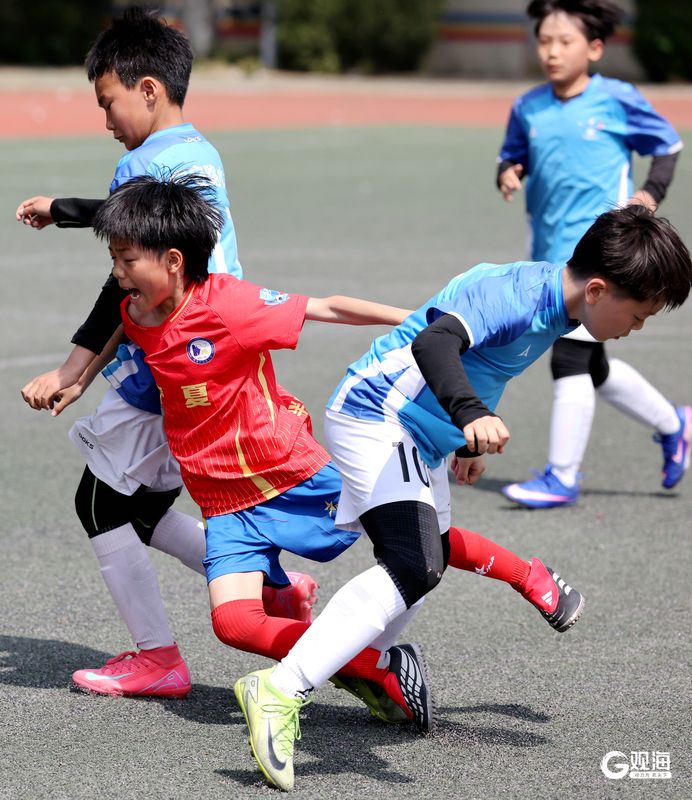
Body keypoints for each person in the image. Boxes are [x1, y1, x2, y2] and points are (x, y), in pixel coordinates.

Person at [88, 174, 635, 790]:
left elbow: (343, 311)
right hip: (240, 487)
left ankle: (321, 673)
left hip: (289, 471)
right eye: (116, 259)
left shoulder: (227, 304)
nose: (117, 274)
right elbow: (449, 343)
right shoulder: (134, 310)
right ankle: (369, 666)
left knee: (416, 551)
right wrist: (73, 374)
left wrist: (440, 371)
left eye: (126, 260)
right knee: (243, 621)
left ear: (172, 260)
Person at [226, 203, 691, 790]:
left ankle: (362, 666)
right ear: (598, 290)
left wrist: (465, 435)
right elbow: (436, 344)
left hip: (422, 430)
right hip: (378, 413)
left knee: (428, 560)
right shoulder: (518, 294)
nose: (637, 327)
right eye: (639, 314)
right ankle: (280, 688)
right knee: (413, 563)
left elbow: (489, 360)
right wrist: (470, 413)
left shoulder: (561, 305)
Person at [15, 8, 319, 700]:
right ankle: (275, 584)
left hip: (166, 368)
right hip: (211, 362)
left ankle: (159, 659)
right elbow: (139, 228)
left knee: (99, 505)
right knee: (144, 512)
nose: (105, 119)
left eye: (108, 102)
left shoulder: (140, 164)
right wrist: (65, 208)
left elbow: (125, 285)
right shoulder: (198, 154)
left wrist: (73, 369)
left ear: (147, 90)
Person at [497, 0, 688, 509]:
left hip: (604, 258)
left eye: (565, 42)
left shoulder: (617, 99)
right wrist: (509, 173)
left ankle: (562, 476)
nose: (552, 51)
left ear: (595, 48)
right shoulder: (528, 106)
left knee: (570, 356)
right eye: (544, 41)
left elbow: (668, 146)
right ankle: (675, 424)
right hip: (550, 259)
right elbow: (512, 155)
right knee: (593, 364)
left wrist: (650, 193)